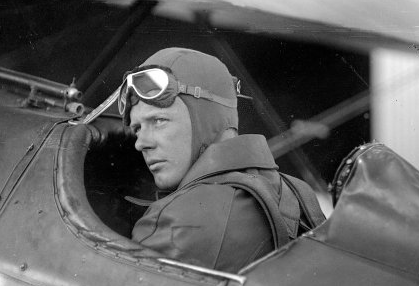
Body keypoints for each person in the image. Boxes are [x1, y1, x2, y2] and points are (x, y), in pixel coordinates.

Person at [119, 47, 323, 273]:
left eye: (158, 121)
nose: (141, 143)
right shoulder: (297, 191)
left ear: (208, 121)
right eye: (137, 128)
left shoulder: (179, 219)